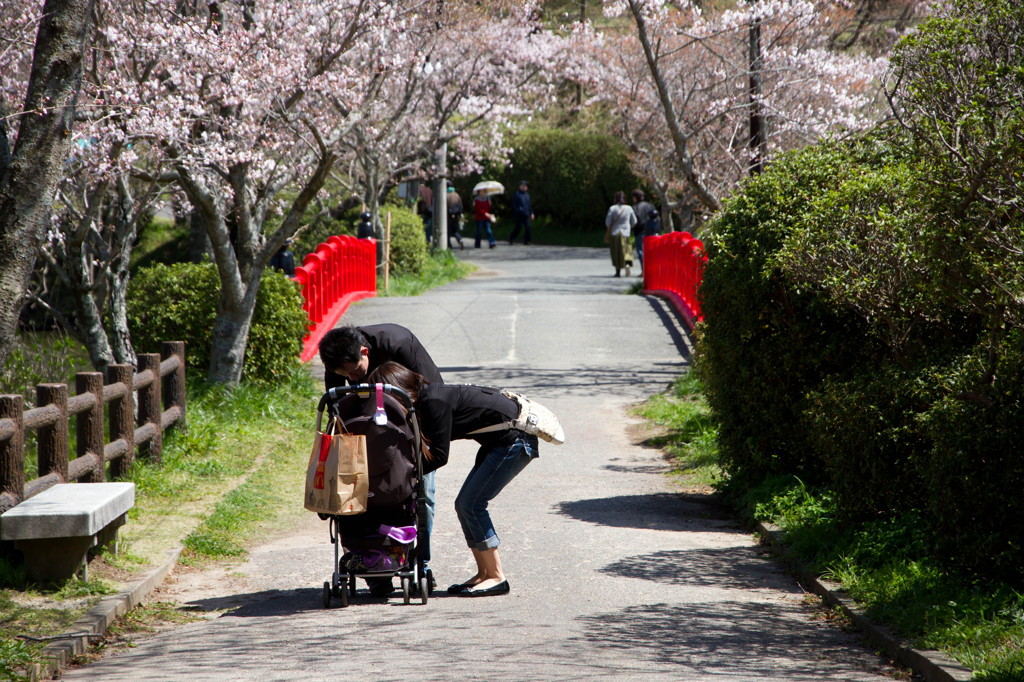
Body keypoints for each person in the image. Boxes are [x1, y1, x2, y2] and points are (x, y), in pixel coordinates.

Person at [367, 361, 539, 598]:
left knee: (472, 504)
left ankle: (497, 576)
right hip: (499, 441)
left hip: (516, 440)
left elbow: (439, 456)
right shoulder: (428, 397)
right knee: (464, 505)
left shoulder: (433, 401)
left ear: (399, 390)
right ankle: (484, 574)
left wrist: (403, 476)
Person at [317, 324, 443, 595]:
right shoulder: (336, 358)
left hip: (409, 426)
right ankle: (376, 573)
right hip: (366, 432)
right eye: (345, 375)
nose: (352, 377)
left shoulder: (399, 344)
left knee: (423, 497)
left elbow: (432, 395)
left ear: (365, 351)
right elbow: (336, 411)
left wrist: (424, 450)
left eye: (355, 371)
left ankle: (419, 562)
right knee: (361, 502)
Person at [604, 190, 637, 277]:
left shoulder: (612, 208)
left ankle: (618, 271)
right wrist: (629, 226)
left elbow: (608, 222)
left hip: (615, 233)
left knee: (616, 252)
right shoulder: (629, 208)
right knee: (626, 250)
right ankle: (627, 264)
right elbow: (634, 221)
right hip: (626, 232)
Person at [631, 189, 654, 272]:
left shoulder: (635, 207)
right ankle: (650, 269)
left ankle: (644, 270)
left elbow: (634, 220)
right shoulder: (649, 205)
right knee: (649, 251)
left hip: (639, 230)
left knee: (640, 251)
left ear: (635, 197)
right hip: (650, 231)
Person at [508, 180, 534, 245]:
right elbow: (514, 205)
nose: (525, 187)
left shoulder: (527, 195)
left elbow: (529, 205)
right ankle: (511, 238)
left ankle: (527, 241)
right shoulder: (517, 195)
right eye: (524, 186)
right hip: (519, 214)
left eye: (526, 186)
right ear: (520, 186)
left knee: (528, 227)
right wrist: (517, 212)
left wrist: (531, 213)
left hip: (526, 214)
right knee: (518, 227)